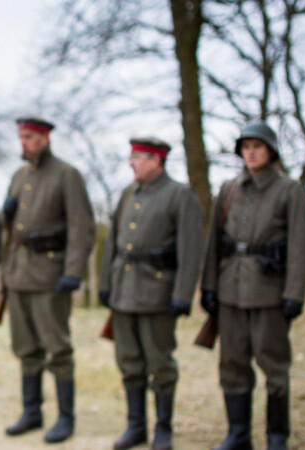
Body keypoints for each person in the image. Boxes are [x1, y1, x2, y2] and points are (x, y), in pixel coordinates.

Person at [201, 122, 305, 450]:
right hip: (230, 291)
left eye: (258, 146)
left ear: (271, 151)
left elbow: (301, 246)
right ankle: (238, 434)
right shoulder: (229, 188)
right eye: (245, 146)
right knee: (232, 365)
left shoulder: (288, 189)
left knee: (274, 366)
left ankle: (276, 437)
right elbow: (214, 243)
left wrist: (294, 293)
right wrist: (209, 287)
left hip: (269, 294)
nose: (250, 152)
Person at [98, 138, 204, 450]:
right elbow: (113, 245)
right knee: (129, 361)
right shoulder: (129, 194)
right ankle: (136, 427)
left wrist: (182, 295)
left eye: (138, 157)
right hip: (124, 292)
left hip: (158, 293)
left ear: (156, 161)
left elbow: (191, 248)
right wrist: (106, 284)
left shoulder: (180, 195)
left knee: (160, 364)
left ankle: (163, 429)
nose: (131, 163)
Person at [1, 116, 96, 444]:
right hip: (20, 274)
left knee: (57, 349)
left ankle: (66, 418)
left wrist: (73, 272)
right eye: (21, 136)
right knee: (26, 347)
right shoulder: (19, 175)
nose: (23, 142)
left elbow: (82, 227)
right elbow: (10, 232)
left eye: (29, 136)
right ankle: (32, 411)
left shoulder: (66, 175)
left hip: (50, 275)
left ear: (44, 138)